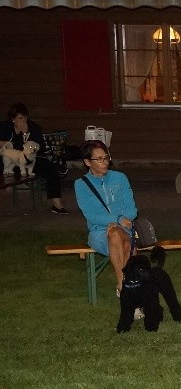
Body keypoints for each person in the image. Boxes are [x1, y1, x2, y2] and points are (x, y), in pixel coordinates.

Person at [73, 139, 136, 295]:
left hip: (125, 227)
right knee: (120, 239)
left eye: (106, 157)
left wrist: (119, 222)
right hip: (99, 231)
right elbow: (91, 215)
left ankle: (125, 288)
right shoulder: (81, 184)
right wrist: (116, 220)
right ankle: (124, 285)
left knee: (120, 237)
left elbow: (132, 208)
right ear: (87, 162)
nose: (105, 162)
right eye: (99, 159)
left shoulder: (120, 178)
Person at [0, 102, 67, 214]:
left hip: (28, 162)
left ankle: (57, 205)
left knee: (51, 167)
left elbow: (40, 148)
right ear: (13, 119)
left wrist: (25, 134)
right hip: (9, 162)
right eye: (20, 118)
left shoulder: (33, 127)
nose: (23, 121)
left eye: (25, 117)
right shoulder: (4, 127)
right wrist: (11, 138)